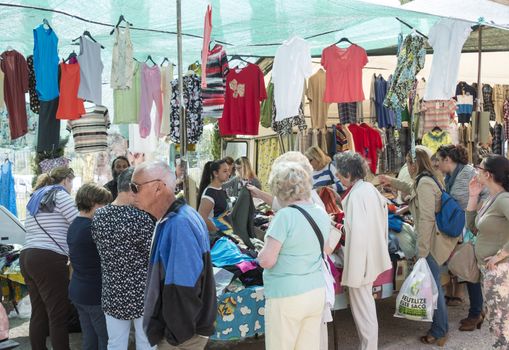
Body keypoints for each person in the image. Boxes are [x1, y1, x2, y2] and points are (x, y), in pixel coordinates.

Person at [131, 162, 216, 350]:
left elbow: (183, 288)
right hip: (184, 331)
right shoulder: (178, 217)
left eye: (135, 187)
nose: (132, 194)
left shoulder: (179, 224)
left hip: (183, 335)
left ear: (158, 188)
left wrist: (174, 334)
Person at [380, 148, 460, 346]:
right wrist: (392, 182)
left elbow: (426, 220)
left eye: (408, 163)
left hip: (431, 243)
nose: (407, 166)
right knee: (433, 285)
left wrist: (421, 251)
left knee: (434, 287)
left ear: (414, 164)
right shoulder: (425, 179)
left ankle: (440, 330)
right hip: (431, 240)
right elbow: (410, 187)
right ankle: (439, 327)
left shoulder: (424, 182)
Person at [258, 161, 330, 350]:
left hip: (287, 295)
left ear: (280, 189)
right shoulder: (321, 213)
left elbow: (267, 260)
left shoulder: (284, 216)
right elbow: (327, 249)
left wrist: (260, 252)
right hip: (315, 291)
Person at [91, 168, 155, 350]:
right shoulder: (141, 218)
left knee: (116, 343)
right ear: (133, 188)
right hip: (141, 291)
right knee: (145, 342)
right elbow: (152, 256)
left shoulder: (99, 217)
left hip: (113, 290)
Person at [334, 152, 391, 350]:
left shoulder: (356, 195)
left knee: (363, 310)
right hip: (371, 254)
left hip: (361, 259)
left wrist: (335, 226)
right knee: (365, 307)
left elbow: (353, 232)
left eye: (340, 175)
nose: (338, 179)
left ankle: (368, 347)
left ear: (348, 173)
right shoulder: (369, 189)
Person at [20, 167, 78, 350]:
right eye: (71, 183)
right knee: (57, 314)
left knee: (39, 312)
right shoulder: (60, 196)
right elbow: (78, 223)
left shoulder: (36, 197)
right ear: (66, 180)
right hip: (49, 258)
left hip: (28, 255)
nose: (71, 187)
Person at [437, 144, 488, 329]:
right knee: (469, 269)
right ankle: (477, 310)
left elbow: (475, 198)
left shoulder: (466, 174)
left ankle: (476, 313)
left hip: (473, 228)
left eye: (438, 160)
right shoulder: (451, 175)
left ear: (447, 160)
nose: (436, 163)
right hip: (467, 227)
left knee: (470, 270)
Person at [466, 155, 509, 349]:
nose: (476, 171)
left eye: (478, 167)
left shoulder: (503, 199)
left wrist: (500, 255)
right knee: (496, 321)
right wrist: (473, 196)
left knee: (500, 324)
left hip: (500, 271)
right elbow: (473, 228)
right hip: (490, 270)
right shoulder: (492, 198)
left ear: (488, 174)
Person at [67, 183, 112, 350]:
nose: (107, 208)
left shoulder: (74, 225)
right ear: (93, 202)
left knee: (89, 337)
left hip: (78, 291)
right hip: (94, 293)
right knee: (105, 339)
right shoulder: (93, 227)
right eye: (104, 204)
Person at [247, 151, 325, 211]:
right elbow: (278, 203)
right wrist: (259, 193)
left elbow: (280, 205)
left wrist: (259, 193)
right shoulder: (312, 202)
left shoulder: (288, 213)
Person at [197, 160, 231, 233]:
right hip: (217, 237)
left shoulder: (220, 189)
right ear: (215, 173)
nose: (228, 173)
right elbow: (202, 217)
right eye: (225, 171)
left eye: (228, 170)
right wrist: (217, 231)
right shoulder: (209, 194)